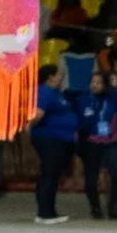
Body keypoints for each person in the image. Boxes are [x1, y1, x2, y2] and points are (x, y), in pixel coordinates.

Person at [27, 61, 79, 224]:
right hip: (49, 138)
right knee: (49, 173)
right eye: (59, 76)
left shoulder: (55, 93)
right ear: (50, 77)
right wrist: (27, 125)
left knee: (53, 174)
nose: (61, 79)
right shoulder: (44, 92)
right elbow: (37, 114)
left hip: (61, 139)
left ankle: (50, 210)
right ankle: (44, 213)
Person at [76, 68, 117, 218]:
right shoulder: (83, 99)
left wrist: (116, 85)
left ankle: (113, 208)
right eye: (92, 82)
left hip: (110, 142)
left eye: (98, 83)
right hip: (91, 142)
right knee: (91, 176)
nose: (95, 85)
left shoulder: (112, 97)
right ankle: (95, 208)